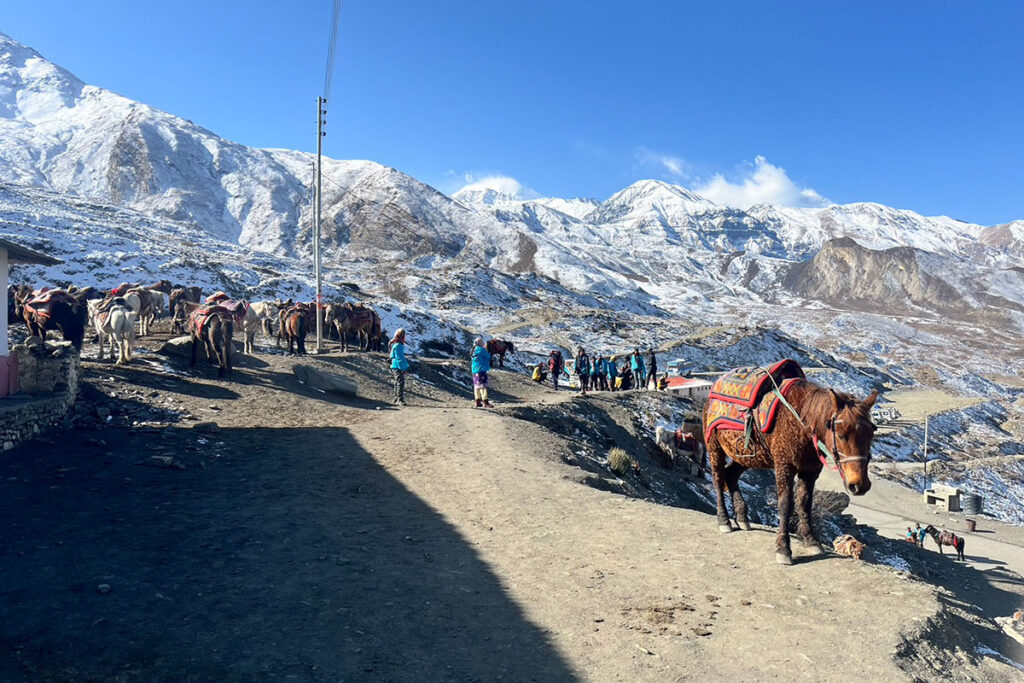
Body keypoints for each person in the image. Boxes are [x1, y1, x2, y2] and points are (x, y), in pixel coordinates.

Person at [389, 328, 409, 406]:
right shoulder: (399, 346)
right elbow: (400, 358)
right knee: (400, 382)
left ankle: (396, 397)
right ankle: (399, 399)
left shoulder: (395, 345)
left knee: (397, 381)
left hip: (394, 365)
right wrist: (403, 368)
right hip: (398, 366)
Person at [471, 337, 492, 408]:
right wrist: (485, 348)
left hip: (475, 370)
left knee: (476, 386)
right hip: (481, 369)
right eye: (481, 342)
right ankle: (485, 402)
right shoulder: (481, 350)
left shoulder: (473, 350)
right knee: (483, 386)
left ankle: (477, 401)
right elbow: (488, 356)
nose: (483, 343)